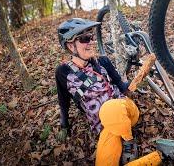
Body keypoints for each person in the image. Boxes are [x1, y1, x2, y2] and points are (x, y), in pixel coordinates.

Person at [55, 18, 142, 165]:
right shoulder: (63, 72)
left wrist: (138, 80)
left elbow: (121, 86)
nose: (91, 42)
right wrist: (64, 124)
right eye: (84, 39)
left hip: (125, 112)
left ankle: (129, 141)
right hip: (105, 127)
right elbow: (63, 100)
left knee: (110, 108)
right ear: (71, 46)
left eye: (91, 37)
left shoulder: (102, 62)